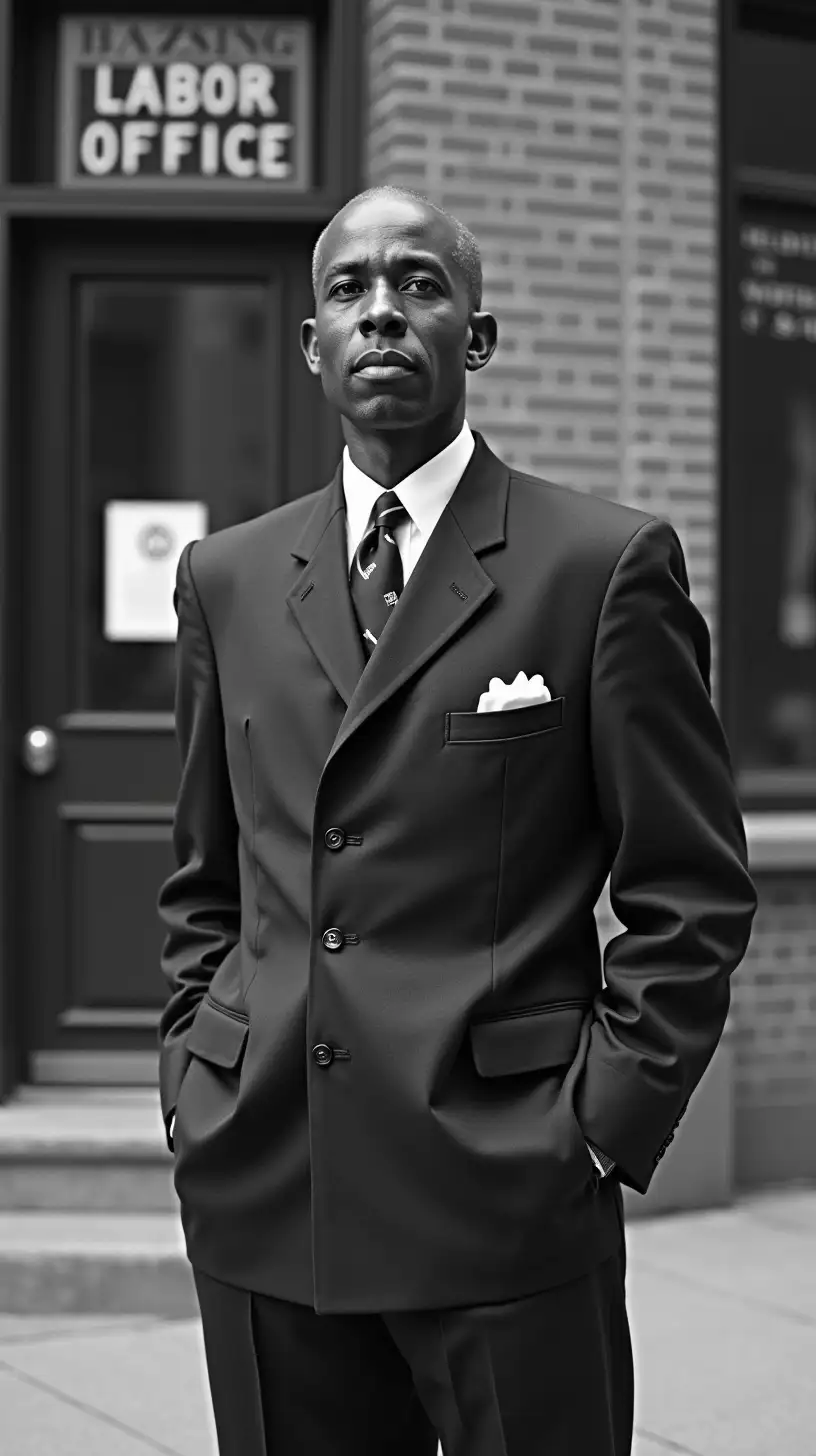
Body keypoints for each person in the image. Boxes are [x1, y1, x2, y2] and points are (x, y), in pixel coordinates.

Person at [157, 186, 757, 1456]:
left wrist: (600, 1130)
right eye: (350, 289)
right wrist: (191, 1088)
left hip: (509, 1197)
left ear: (475, 337)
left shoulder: (602, 566)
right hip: (270, 1187)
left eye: (421, 284)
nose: (384, 310)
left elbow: (690, 888)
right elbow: (204, 879)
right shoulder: (226, 579)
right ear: (314, 342)